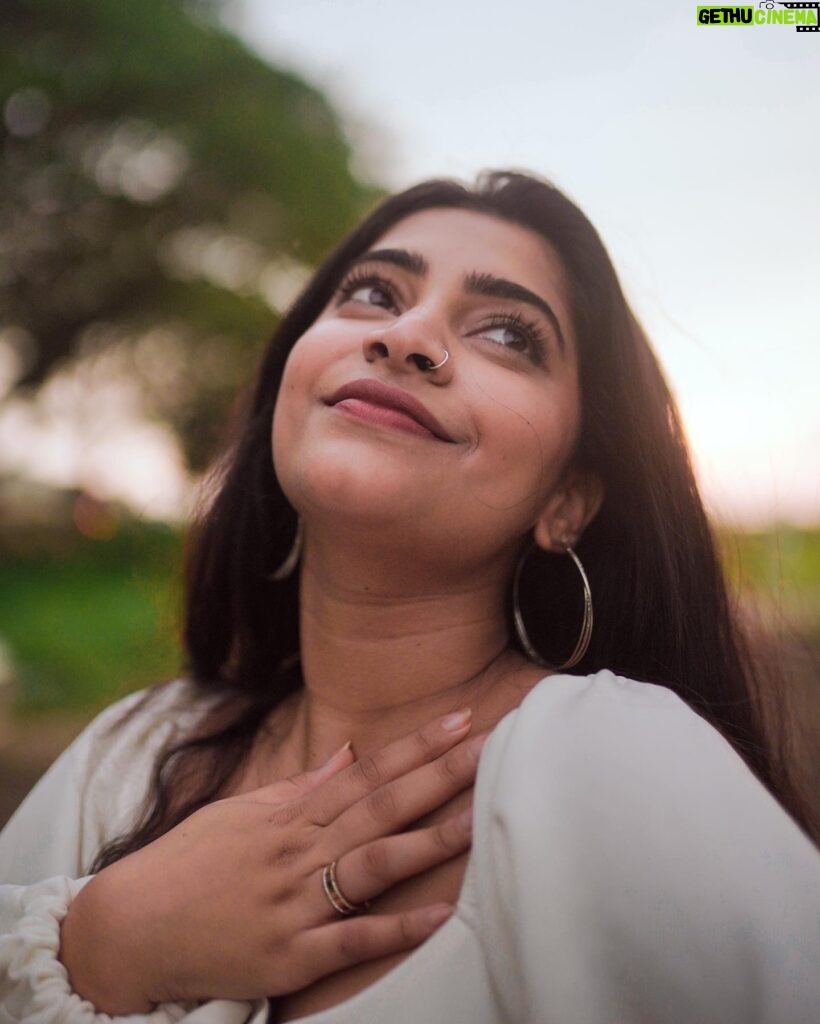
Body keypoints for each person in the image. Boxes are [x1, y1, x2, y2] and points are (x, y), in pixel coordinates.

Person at [1, 170, 818, 1024]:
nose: (407, 335)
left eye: (508, 332)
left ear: (567, 500)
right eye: (372, 293)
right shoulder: (125, 757)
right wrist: (99, 943)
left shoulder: (609, 757)